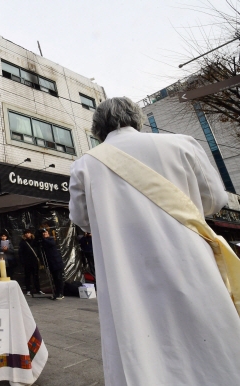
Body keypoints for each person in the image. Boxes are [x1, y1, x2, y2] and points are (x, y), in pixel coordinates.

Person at [69, 97, 240, 385]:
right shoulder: (182, 144)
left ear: (97, 129)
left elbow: (82, 219)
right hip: (189, 258)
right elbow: (216, 200)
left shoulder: (84, 166)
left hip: (124, 269)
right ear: (138, 119)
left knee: (138, 338)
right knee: (211, 335)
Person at [38, 228, 64, 300]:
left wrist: (44, 239)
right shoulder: (43, 241)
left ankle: (60, 293)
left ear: (48, 233)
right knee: (55, 278)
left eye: (45, 232)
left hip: (57, 262)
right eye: (43, 233)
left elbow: (51, 243)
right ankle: (57, 292)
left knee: (59, 278)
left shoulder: (51, 239)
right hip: (51, 263)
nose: (44, 234)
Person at [18, 229, 45, 296]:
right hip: (27, 262)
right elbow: (20, 253)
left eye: (28, 233)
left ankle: (38, 289)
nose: (27, 234)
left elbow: (38, 250)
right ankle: (28, 290)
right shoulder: (22, 242)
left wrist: (40, 260)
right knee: (27, 276)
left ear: (31, 234)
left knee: (36, 276)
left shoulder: (35, 241)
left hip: (35, 261)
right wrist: (22, 262)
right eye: (26, 233)